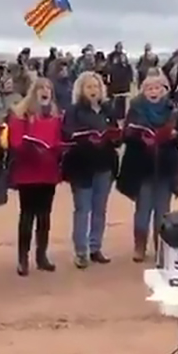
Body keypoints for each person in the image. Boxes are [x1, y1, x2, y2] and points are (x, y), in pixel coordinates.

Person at [119, 74, 178, 262]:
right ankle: (139, 247)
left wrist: (175, 134)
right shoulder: (135, 109)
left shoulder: (172, 110)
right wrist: (138, 137)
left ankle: (161, 248)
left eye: (158, 88)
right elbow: (126, 135)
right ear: (143, 91)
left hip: (166, 165)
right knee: (143, 208)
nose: (154, 92)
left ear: (164, 91)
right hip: (142, 166)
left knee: (163, 210)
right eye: (149, 88)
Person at [61, 71, 119, 269]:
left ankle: (95, 247)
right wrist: (86, 139)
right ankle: (81, 251)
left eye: (96, 86)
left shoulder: (107, 109)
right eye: (89, 87)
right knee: (82, 209)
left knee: (99, 210)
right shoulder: (74, 111)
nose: (93, 90)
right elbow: (67, 134)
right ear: (81, 89)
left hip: (105, 164)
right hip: (82, 166)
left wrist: (114, 137)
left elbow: (116, 134)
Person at [6, 78, 62, 275]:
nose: (45, 91)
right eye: (41, 88)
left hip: (48, 171)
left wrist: (58, 150)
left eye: (49, 88)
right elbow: (15, 142)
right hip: (28, 172)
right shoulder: (21, 115)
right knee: (27, 215)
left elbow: (58, 140)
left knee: (45, 216)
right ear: (34, 92)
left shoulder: (55, 116)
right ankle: (23, 258)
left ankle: (41, 255)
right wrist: (30, 148)